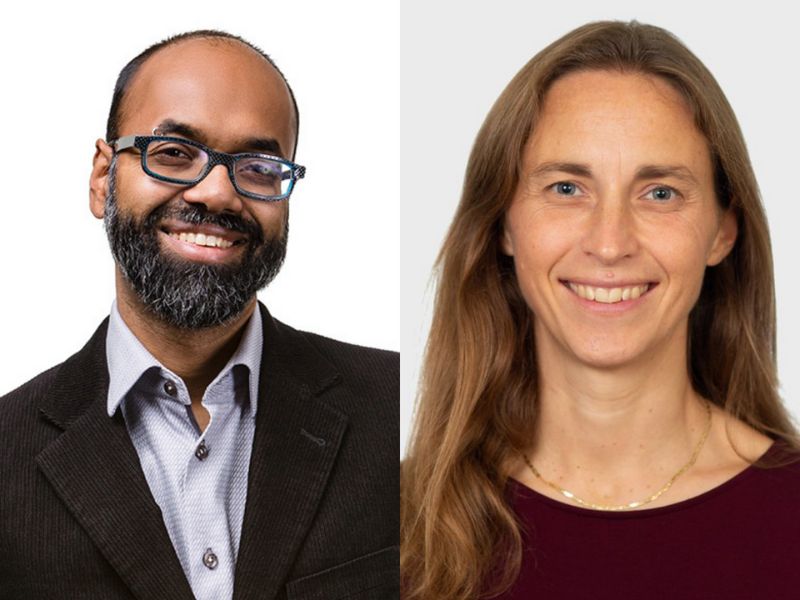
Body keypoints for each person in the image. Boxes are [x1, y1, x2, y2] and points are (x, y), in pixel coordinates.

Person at [401, 20, 800, 600]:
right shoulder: (394, 522)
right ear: (504, 224)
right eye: (566, 188)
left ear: (722, 231)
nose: (610, 243)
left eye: (659, 193)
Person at [0, 30, 398, 599]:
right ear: (101, 178)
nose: (216, 194)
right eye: (174, 155)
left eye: (259, 167)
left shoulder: (399, 407)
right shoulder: (6, 456)